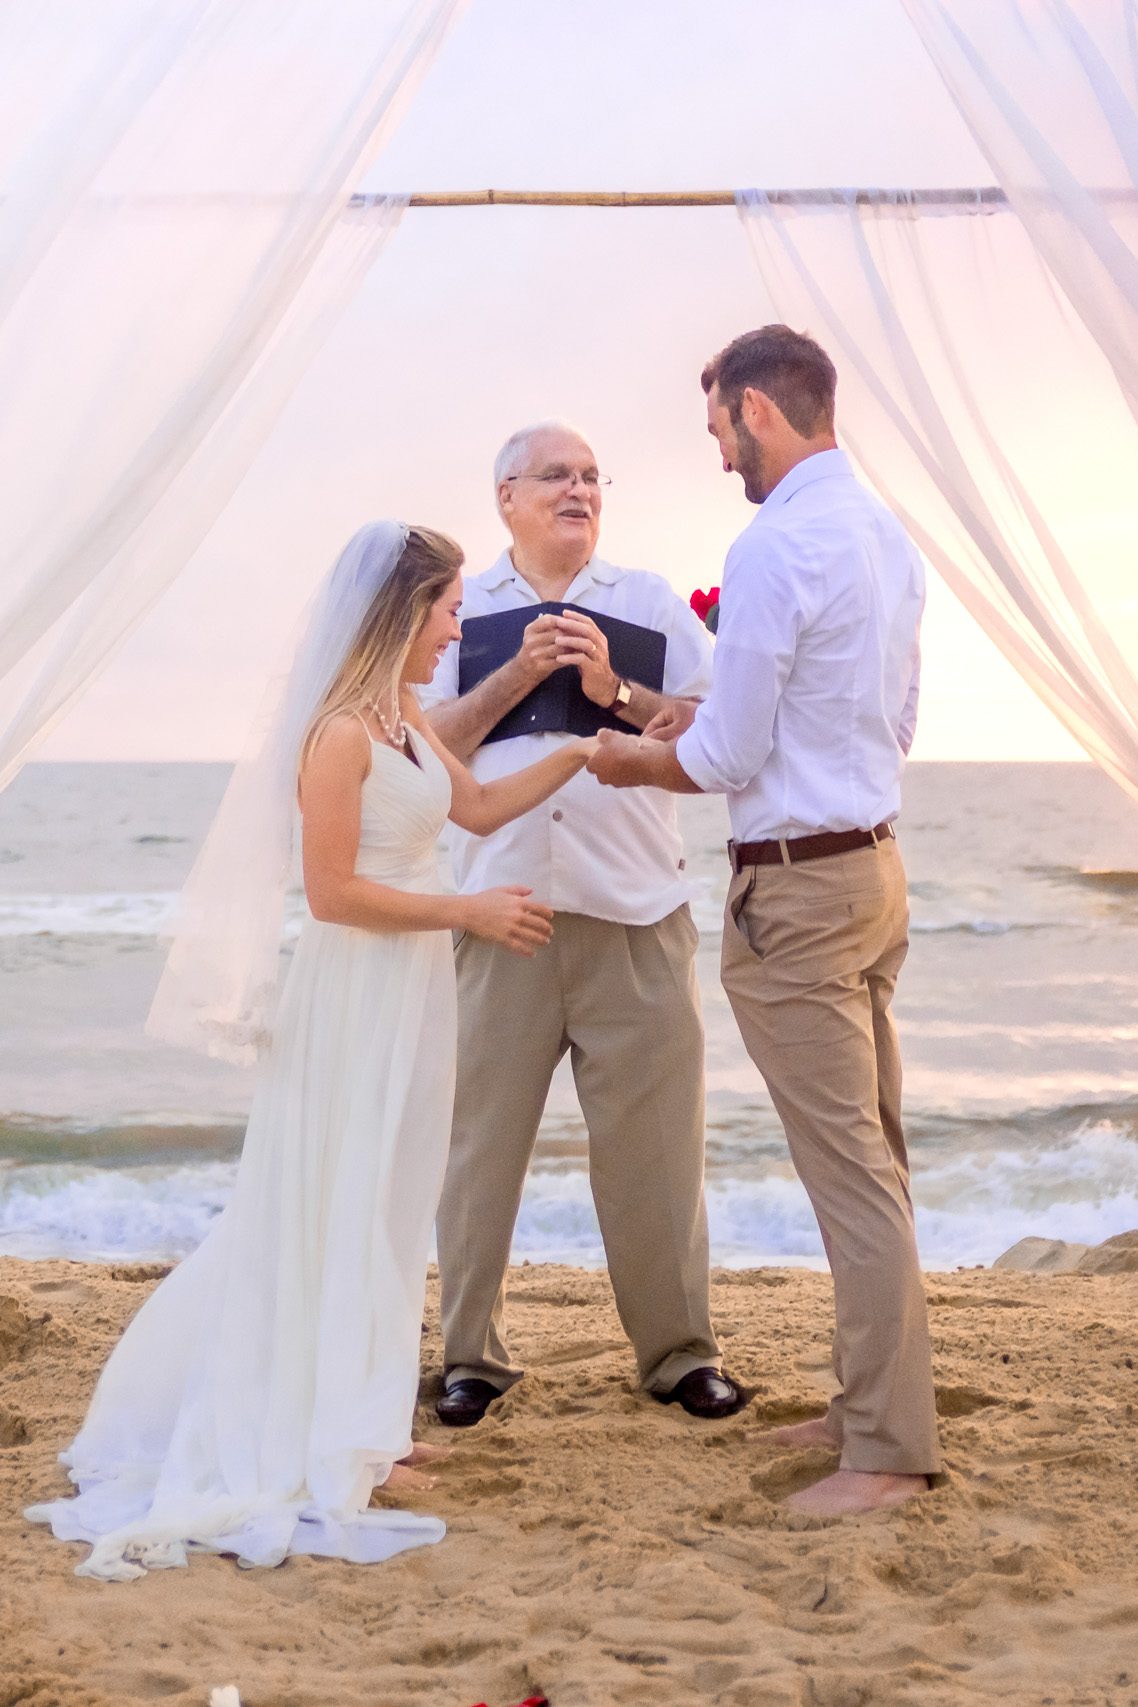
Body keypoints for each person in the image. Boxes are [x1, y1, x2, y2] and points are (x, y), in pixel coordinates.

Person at [26, 521, 596, 1580]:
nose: (456, 628)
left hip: (411, 992)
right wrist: (464, 914)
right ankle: (316, 1427)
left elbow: (469, 804)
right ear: (401, 610)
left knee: (387, 1204)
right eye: (448, 608)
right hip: (356, 996)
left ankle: (360, 1423)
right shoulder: (338, 735)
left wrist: (577, 755)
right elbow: (331, 894)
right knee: (333, 1199)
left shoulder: (408, 722)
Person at [587, 327, 942, 1516]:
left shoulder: (774, 543)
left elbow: (731, 753)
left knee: (850, 1176)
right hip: (875, 871)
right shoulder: (885, 534)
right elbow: (888, 724)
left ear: (756, 410)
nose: (719, 453)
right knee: (875, 1162)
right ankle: (866, 1401)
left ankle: (886, 1450)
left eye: (718, 430)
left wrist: (629, 759)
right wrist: (678, 710)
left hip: (794, 888)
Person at [424, 420, 741, 1428]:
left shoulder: (649, 602)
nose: (579, 489)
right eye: (555, 475)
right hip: (498, 915)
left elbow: (721, 738)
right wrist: (515, 675)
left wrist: (617, 690)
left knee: (655, 1154)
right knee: (477, 1149)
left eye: (592, 476)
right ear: (505, 497)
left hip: (636, 913)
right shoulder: (458, 612)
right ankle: (470, 1354)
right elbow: (419, 755)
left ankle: (679, 1353)